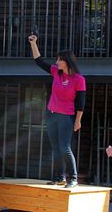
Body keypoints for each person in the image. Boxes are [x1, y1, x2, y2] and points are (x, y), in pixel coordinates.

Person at [28, 35, 86, 187]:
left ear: (67, 61)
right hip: (51, 115)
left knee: (64, 147)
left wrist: (78, 121)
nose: (57, 62)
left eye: (60, 59)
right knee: (55, 148)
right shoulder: (56, 72)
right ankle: (60, 177)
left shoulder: (79, 79)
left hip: (66, 117)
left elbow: (81, 103)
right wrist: (33, 43)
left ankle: (73, 178)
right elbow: (38, 61)